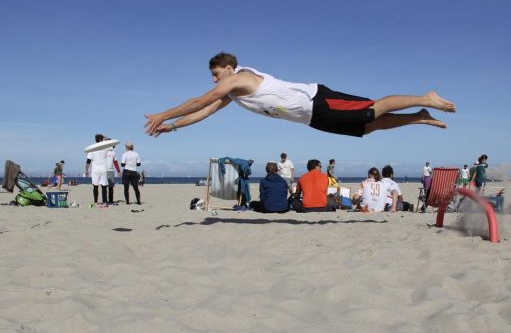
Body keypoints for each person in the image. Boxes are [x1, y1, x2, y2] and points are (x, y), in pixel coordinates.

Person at [144, 52, 456, 139]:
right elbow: (205, 111)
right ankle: (418, 117)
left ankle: (425, 98)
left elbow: (200, 101)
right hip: (309, 118)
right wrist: (172, 127)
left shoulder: (237, 79)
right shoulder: (234, 93)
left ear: (229, 67)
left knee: (371, 109)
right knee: (365, 126)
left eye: (216, 73)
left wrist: (162, 114)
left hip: (315, 100)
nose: (214, 79)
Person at [84, 134, 109, 206]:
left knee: (95, 186)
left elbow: (88, 160)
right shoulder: (105, 147)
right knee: (104, 186)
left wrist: (86, 170)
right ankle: (104, 202)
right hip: (103, 169)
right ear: (101, 139)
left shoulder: (92, 148)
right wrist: (105, 139)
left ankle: (95, 202)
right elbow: (111, 143)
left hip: (95, 170)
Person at [105, 138, 121, 204]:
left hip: (110, 170)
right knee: (104, 186)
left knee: (110, 187)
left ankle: (110, 200)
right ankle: (105, 200)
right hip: (103, 170)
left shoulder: (113, 152)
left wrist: (118, 171)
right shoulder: (102, 150)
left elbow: (115, 162)